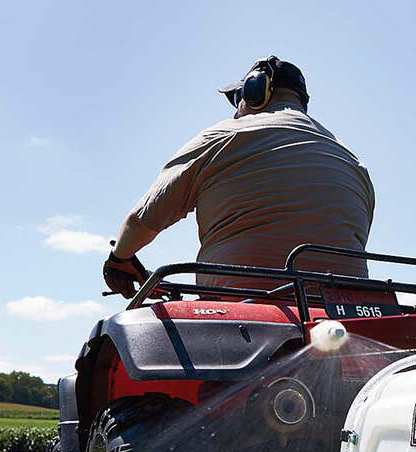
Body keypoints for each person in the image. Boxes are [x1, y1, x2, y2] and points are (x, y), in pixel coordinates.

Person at [103, 56, 375, 298]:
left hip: (239, 307)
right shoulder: (353, 162)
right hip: (347, 307)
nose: (235, 111)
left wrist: (120, 260)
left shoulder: (223, 136)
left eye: (238, 98)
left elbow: (142, 220)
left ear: (256, 91)